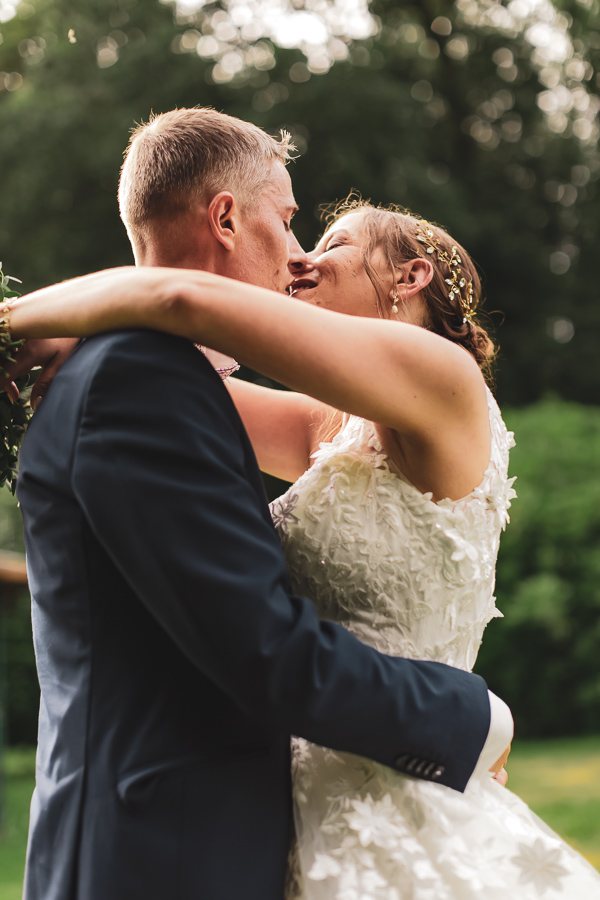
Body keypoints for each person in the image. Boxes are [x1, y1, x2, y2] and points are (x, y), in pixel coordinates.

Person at [6, 204, 600, 896]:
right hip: (286, 788)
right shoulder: (331, 427)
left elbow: (180, 299)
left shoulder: (445, 376)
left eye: (335, 245)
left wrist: (15, 319)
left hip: (403, 780)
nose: (300, 261)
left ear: (412, 276)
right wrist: (81, 344)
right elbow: (174, 390)